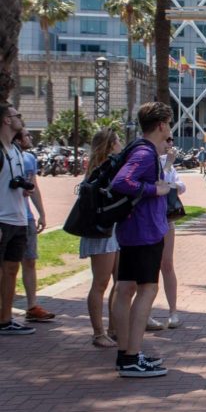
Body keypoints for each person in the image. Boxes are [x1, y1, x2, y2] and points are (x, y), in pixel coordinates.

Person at [110, 102, 174, 377]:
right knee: (147, 289)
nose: (170, 128)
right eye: (169, 124)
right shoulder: (145, 153)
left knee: (125, 288)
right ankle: (132, 356)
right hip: (144, 231)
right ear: (161, 124)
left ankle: (126, 353)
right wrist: (154, 189)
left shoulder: (138, 148)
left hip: (133, 229)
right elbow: (121, 182)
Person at [79, 129, 122, 347]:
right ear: (110, 145)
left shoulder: (111, 167)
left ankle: (114, 328)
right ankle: (98, 332)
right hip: (102, 231)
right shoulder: (100, 171)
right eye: (118, 141)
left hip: (114, 230)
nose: (121, 144)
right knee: (101, 283)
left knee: (119, 281)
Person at [0, 104, 34, 335]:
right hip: (2, 219)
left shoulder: (16, 150)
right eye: (16, 116)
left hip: (19, 218)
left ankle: (6, 318)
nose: (20, 119)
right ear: (5, 120)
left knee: (12, 269)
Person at [14, 130, 54, 323]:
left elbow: (34, 187)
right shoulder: (6, 157)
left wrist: (42, 214)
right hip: (8, 218)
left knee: (29, 261)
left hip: (27, 217)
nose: (30, 138)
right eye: (27, 136)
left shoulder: (30, 158)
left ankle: (32, 305)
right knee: (7, 265)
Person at [151, 138, 185, 330]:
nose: (169, 145)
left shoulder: (167, 164)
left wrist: (174, 186)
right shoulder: (148, 161)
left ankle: (173, 312)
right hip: (150, 221)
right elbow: (157, 184)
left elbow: (180, 185)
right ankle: (146, 314)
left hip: (167, 219)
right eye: (167, 141)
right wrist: (169, 165)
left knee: (167, 264)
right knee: (150, 266)